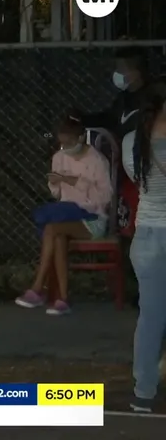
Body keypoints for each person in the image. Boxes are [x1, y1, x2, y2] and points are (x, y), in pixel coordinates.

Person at [14, 115, 113, 315]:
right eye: (61, 143)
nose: (65, 147)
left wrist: (73, 180)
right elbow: (57, 194)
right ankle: (62, 298)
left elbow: (105, 198)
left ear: (80, 138)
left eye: (68, 143)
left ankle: (37, 289)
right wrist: (55, 182)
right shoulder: (59, 157)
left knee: (48, 225)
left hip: (91, 217)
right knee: (55, 232)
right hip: (64, 214)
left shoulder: (96, 160)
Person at [79, 47, 151, 307]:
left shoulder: (150, 101)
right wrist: (82, 118)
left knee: (145, 232)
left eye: (122, 69)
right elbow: (108, 119)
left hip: (145, 175)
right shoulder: (123, 101)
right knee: (127, 231)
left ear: (135, 71)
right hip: (125, 175)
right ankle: (138, 289)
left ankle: (150, 289)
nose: (117, 75)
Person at [121, 77, 166, 413]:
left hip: (146, 236)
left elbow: (138, 179)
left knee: (151, 316)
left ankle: (144, 391)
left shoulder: (131, 141)